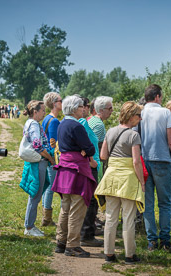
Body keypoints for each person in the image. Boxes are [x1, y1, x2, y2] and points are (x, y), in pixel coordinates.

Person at [95, 101, 145, 264]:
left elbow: (103, 156)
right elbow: (136, 162)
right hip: (128, 178)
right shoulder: (133, 135)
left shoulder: (110, 131)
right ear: (131, 117)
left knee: (110, 217)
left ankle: (109, 253)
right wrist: (142, 182)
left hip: (111, 177)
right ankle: (130, 254)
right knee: (128, 218)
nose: (140, 118)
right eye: (138, 115)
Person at [52, 95, 97, 258]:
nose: (83, 109)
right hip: (76, 169)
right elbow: (90, 148)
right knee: (76, 208)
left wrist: (84, 149)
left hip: (65, 168)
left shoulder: (62, 123)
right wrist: (85, 151)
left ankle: (61, 241)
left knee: (66, 207)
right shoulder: (77, 126)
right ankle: (72, 245)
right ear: (73, 108)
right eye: (80, 107)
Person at [139, 84, 171, 251]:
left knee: (148, 203)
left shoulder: (140, 112)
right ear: (157, 97)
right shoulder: (165, 112)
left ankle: (151, 240)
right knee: (164, 202)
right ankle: (165, 240)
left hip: (144, 159)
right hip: (162, 159)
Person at [19, 100, 55, 237]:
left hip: (37, 160)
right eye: (43, 111)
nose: (44, 113)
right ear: (35, 112)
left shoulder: (30, 123)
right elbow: (37, 146)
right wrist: (50, 158)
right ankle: (29, 227)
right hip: (39, 161)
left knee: (36, 193)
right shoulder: (34, 124)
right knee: (36, 194)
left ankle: (30, 225)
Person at [76, 96, 103, 247]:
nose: (86, 109)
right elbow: (83, 145)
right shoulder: (81, 123)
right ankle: (86, 234)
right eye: (83, 106)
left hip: (91, 166)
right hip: (89, 166)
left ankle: (87, 232)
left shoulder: (84, 122)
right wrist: (91, 161)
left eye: (86, 106)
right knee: (90, 201)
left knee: (91, 201)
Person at [41, 92, 62, 227]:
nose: (62, 102)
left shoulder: (47, 118)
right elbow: (53, 143)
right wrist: (55, 160)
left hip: (47, 157)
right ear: (54, 104)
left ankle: (46, 216)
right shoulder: (54, 121)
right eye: (60, 100)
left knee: (49, 186)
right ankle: (47, 218)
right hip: (52, 158)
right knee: (52, 187)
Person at [88, 96, 113, 176]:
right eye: (109, 109)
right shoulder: (99, 124)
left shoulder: (92, 120)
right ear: (101, 110)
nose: (112, 111)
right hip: (95, 163)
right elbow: (90, 144)